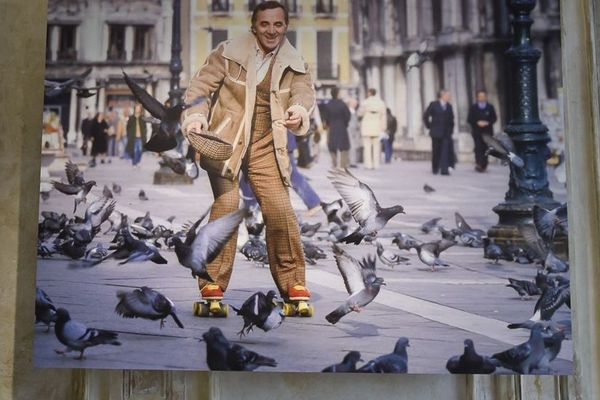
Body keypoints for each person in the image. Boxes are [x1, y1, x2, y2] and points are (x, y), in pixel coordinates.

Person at [180, 1, 316, 313]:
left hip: (267, 145)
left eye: (278, 25)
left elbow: (304, 94)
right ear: (253, 25)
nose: (272, 30)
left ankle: (293, 283)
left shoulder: (296, 62)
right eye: (265, 24)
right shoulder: (227, 52)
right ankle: (211, 280)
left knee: (280, 208)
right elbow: (199, 88)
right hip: (226, 143)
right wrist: (196, 119)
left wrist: (297, 111)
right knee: (228, 206)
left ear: (286, 27)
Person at [423, 89, 455, 175]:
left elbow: (452, 120)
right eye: (447, 96)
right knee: (436, 151)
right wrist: (429, 126)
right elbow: (426, 116)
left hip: (446, 133)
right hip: (435, 132)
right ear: (442, 96)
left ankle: (444, 169)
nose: (449, 97)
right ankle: (435, 167)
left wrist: (451, 130)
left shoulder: (449, 106)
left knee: (445, 150)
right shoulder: (434, 105)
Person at [467, 89, 497, 172]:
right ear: (477, 98)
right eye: (480, 96)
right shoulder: (473, 107)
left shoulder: (490, 107)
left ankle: (484, 164)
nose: (482, 98)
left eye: (483, 96)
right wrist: (477, 122)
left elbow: (494, 118)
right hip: (477, 131)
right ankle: (478, 163)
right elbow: (469, 119)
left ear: (486, 97)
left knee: (485, 148)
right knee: (478, 147)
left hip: (487, 131)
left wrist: (487, 123)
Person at [357, 88, 387, 170]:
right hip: (377, 126)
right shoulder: (381, 103)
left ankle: (368, 164)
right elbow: (383, 116)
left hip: (366, 125)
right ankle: (376, 164)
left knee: (367, 147)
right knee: (376, 147)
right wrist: (383, 127)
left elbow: (359, 113)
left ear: (369, 93)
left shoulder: (365, 102)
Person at [323, 87, 351, 169]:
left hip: (332, 127)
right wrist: (345, 124)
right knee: (344, 147)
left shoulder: (328, 105)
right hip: (342, 127)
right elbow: (347, 116)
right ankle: (343, 165)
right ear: (338, 94)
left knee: (332, 146)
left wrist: (328, 124)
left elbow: (326, 118)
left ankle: (334, 163)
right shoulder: (343, 104)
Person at [126, 104, 147, 168]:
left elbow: (145, 127)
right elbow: (128, 127)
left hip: (141, 137)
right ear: (135, 109)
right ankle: (134, 163)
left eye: (139, 108)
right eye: (137, 108)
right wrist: (129, 135)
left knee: (140, 150)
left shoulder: (142, 117)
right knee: (134, 150)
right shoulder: (131, 117)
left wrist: (145, 134)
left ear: (140, 109)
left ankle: (137, 162)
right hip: (133, 137)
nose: (138, 109)